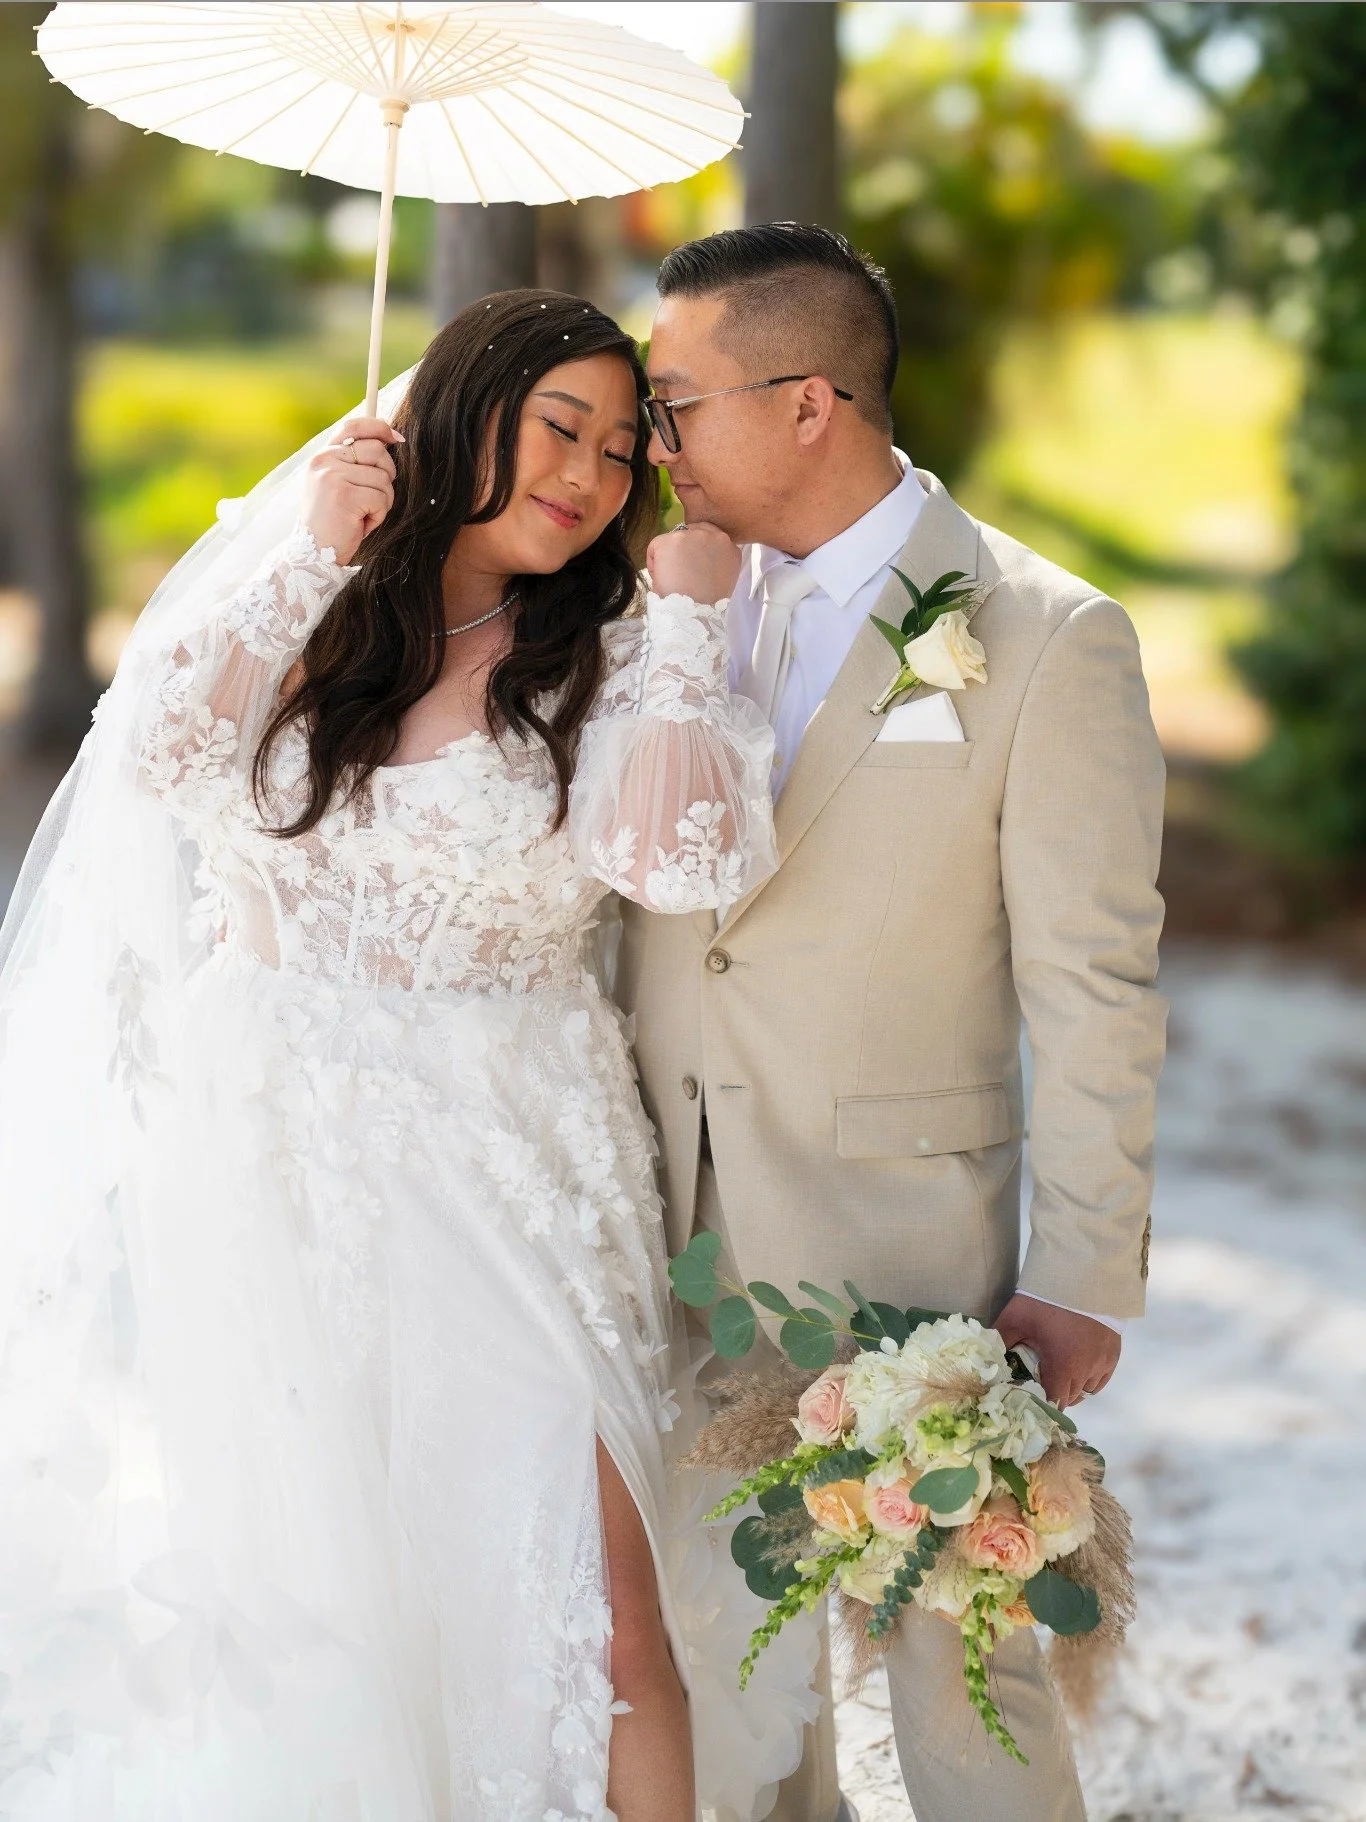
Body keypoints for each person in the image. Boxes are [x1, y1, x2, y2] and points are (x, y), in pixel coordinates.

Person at [0, 291, 820, 1821]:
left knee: (602, 1606)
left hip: (511, 1150)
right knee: (325, 1604)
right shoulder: (319, 594)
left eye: (620, 446)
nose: (586, 473)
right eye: (554, 426)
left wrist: (694, 620)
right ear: (460, 413)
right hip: (269, 1151)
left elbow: (676, 855)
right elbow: (158, 759)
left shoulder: (616, 638)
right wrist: (316, 543)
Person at [615, 223, 1167, 1822]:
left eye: (676, 404)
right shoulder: (662, 603)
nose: (655, 446)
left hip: (910, 1254)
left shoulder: (1048, 637)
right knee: (739, 1666)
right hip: (668, 1215)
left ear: (808, 404)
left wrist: (1078, 1267)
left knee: (963, 1680)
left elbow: (1094, 982)